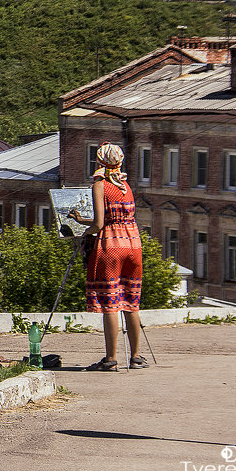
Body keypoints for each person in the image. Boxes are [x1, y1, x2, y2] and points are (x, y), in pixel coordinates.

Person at [72, 142, 146, 371]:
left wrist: (79, 223)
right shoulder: (125, 185)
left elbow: (99, 224)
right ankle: (135, 357)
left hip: (111, 245)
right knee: (131, 303)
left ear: (100, 162)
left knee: (111, 304)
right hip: (133, 244)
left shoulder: (100, 185)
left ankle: (111, 359)